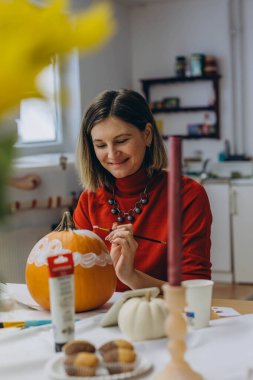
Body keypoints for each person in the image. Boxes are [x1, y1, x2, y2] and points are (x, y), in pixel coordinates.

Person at [73, 89, 212, 292]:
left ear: (147, 135)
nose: (112, 154)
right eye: (101, 145)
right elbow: (82, 282)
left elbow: (194, 292)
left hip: (168, 316)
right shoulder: (88, 201)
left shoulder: (188, 196)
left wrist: (131, 276)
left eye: (121, 141)